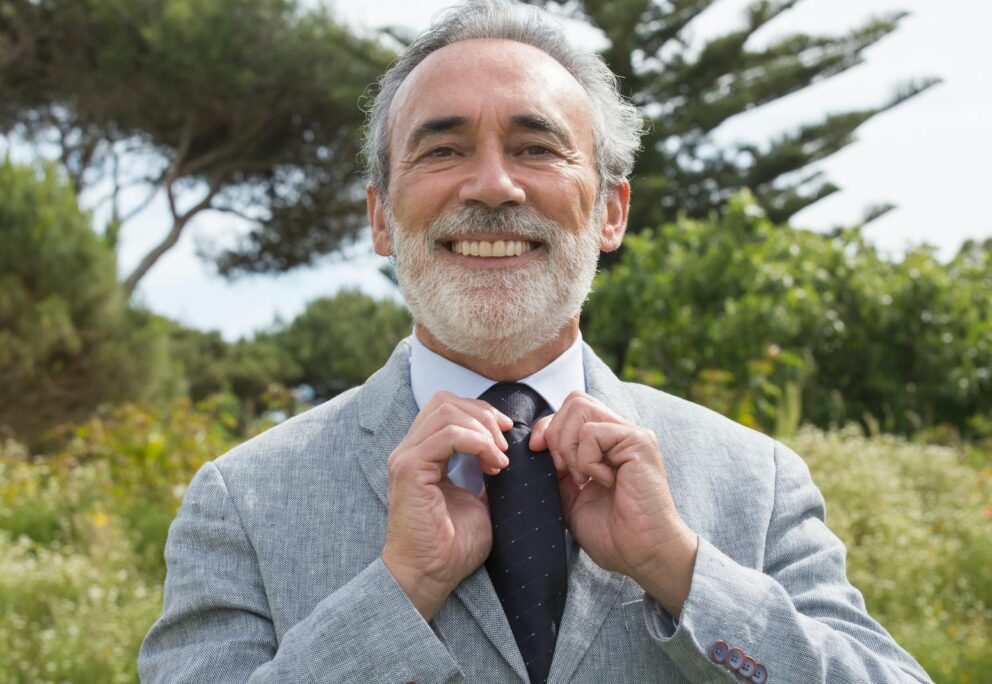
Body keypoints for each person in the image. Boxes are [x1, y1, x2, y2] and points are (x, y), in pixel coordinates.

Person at [139, 1, 932, 682]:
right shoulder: (241, 501)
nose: (493, 186)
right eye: (443, 149)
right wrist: (397, 590)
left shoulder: (755, 485)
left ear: (611, 212)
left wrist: (684, 573)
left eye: (537, 147)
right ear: (381, 216)